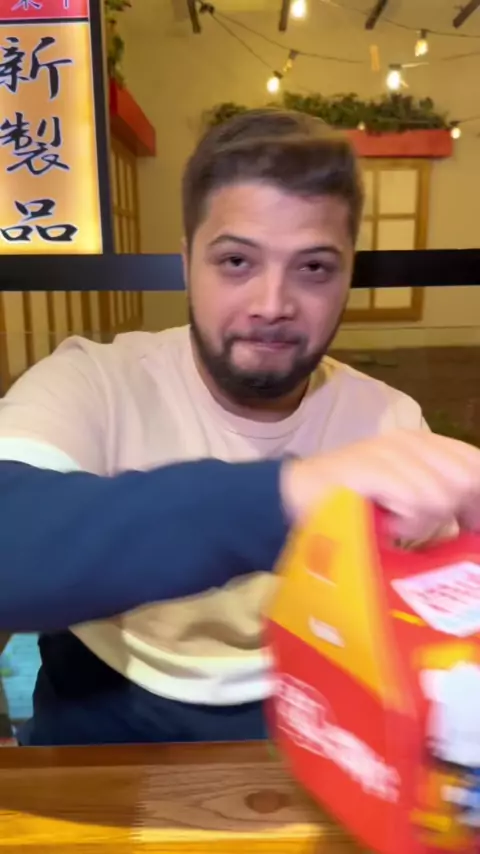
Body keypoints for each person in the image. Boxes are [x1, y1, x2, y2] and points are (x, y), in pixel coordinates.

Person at [0, 109, 468, 746]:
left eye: (313, 268)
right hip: (102, 714)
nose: (272, 305)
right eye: (236, 261)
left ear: (347, 276)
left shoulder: (387, 420)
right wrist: (292, 493)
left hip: (313, 721)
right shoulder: (96, 382)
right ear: (187, 261)